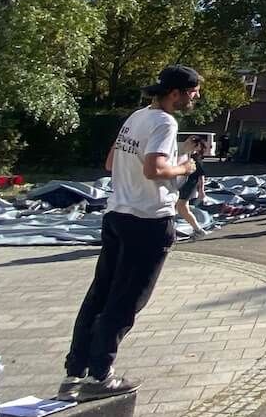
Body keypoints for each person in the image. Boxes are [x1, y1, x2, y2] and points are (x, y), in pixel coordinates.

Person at [58, 65, 201, 400]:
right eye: (193, 92)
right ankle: (101, 375)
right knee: (126, 300)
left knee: (100, 294)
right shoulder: (165, 122)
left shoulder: (137, 117)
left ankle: (75, 371)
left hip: (117, 214)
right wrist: (184, 166)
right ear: (176, 93)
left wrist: (170, 159)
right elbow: (154, 169)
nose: (195, 98)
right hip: (148, 219)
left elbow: (111, 162)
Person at [175, 135, 210, 238]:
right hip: (182, 184)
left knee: (181, 208)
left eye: (189, 142)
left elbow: (201, 175)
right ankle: (197, 229)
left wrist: (201, 190)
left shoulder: (195, 158)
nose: (186, 144)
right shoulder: (185, 154)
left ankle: (198, 230)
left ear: (195, 146)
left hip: (188, 186)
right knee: (180, 208)